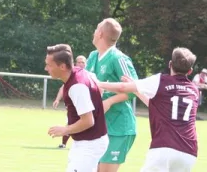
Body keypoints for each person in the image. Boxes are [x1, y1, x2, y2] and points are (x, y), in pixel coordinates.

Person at [98, 47, 200, 172]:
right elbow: (156, 106)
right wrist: (137, 90)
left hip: (163, 148)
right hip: (189, 152)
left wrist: (98, 83)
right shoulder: (194, 90)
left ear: (170, 64)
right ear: (190, 71)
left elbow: (122, 87)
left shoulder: (161, 80)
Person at [45, 44, 108, 172]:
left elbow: (88, 121)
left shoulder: (77, 87)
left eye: (49, 65)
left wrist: (64, 129)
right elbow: (100, 89)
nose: (46, 68)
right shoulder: (81, 72)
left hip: (90, 143)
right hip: (85, 142)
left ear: (62, 66)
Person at [85, 18, 138, 172]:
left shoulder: (119, 58)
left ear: (100, 34)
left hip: (118, 128)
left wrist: (109, 102)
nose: (94, 32)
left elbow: (135, 89)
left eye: (96, 28)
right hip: (99, 126)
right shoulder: (93, 56)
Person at [53, 55, 87, 149]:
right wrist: (57, 99)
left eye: (82, 62)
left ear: (86, 64)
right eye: (79, 62)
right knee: (71, 123)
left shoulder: (88, 74)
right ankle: (64, 143)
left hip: (85, 105)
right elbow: (63, 88)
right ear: (75, 63)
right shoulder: (71, 74)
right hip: (74, 105)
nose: (80, 64)